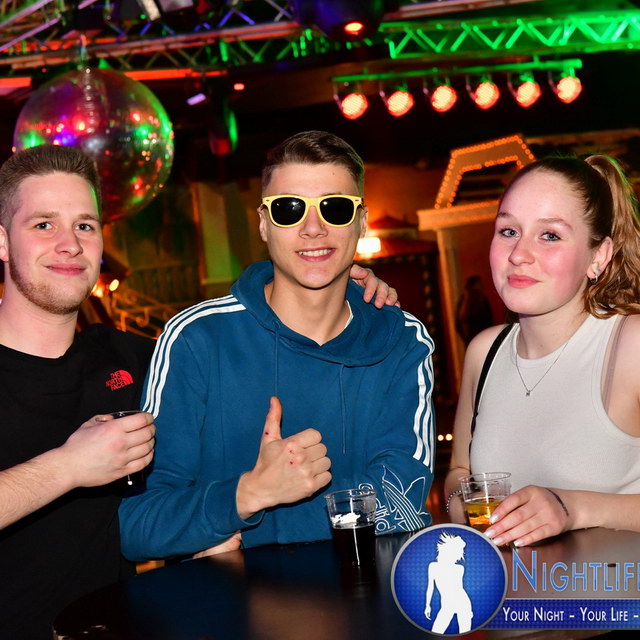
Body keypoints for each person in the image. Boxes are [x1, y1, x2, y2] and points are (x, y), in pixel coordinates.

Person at [119, 130, 436, 560]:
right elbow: (138, 525)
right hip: (230, 602)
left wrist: (243, 526)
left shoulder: (401, 340)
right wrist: (250, 492)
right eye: (289, 209)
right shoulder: (196, 339)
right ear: (264, 223)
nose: (313, 228)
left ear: (360, 221)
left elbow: (402, 503)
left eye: (335, 208)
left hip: (369, 595)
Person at [0, 145, 157, 640]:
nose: (70, 244)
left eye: (85, 225)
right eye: (44, 224)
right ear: (2, 242)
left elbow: (245, 345)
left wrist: (340, 293)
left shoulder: (130, 358)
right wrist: (70, 466)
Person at [445, 155, 640, 547]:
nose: (519, 253)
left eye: (549, 235)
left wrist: (572, 509)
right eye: (508, 230)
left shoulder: (629, 346)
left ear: (598, 256)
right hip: (508, 588)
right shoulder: (485, 351)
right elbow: (459, 472)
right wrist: (466, 507)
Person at [424, 532, 472, 634]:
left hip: (463, 603)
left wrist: (468, 610)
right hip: (446, 605)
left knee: (465, 633)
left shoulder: (459, 568)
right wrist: (427, 605)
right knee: (436, 631)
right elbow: (430, 587)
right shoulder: (433, 566)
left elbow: (459, 588)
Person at [455, 275, 493, 345]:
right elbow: (459, 323)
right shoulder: (465, 301)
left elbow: (489, 321)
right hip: (473, 339)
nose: (482, 286)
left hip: (483, 339)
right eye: (480, 284)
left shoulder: (484, 301)